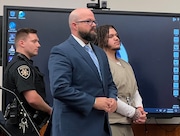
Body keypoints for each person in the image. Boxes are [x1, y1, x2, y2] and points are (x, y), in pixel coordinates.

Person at [48, 8, 117, 136]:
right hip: (74, 128)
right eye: (88, 21)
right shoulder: (62, 51)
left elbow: (109, 83)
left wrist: (113, 99)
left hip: (101, 127)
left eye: (94, 21)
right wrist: (93, 102)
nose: (94, 25)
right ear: (75, 25)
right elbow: (59, 88)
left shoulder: (100, 53)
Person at [95, 25, 147, 136]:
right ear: (101, 39)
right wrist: (134, 113)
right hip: (111, 125)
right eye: (111, 36)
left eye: (117, 35)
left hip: (127, 125)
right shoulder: (101, 64)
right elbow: (109, 96)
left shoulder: (126, 65)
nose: (116, 38)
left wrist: (139, 108)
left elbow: (134, 91)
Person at [3, 28, 52, 136]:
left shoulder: (18, 64)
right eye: (34, 41)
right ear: (22, 43)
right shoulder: (22, 67)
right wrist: (50, 110)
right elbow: (32, 99)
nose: (38, 45)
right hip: (24, 127)